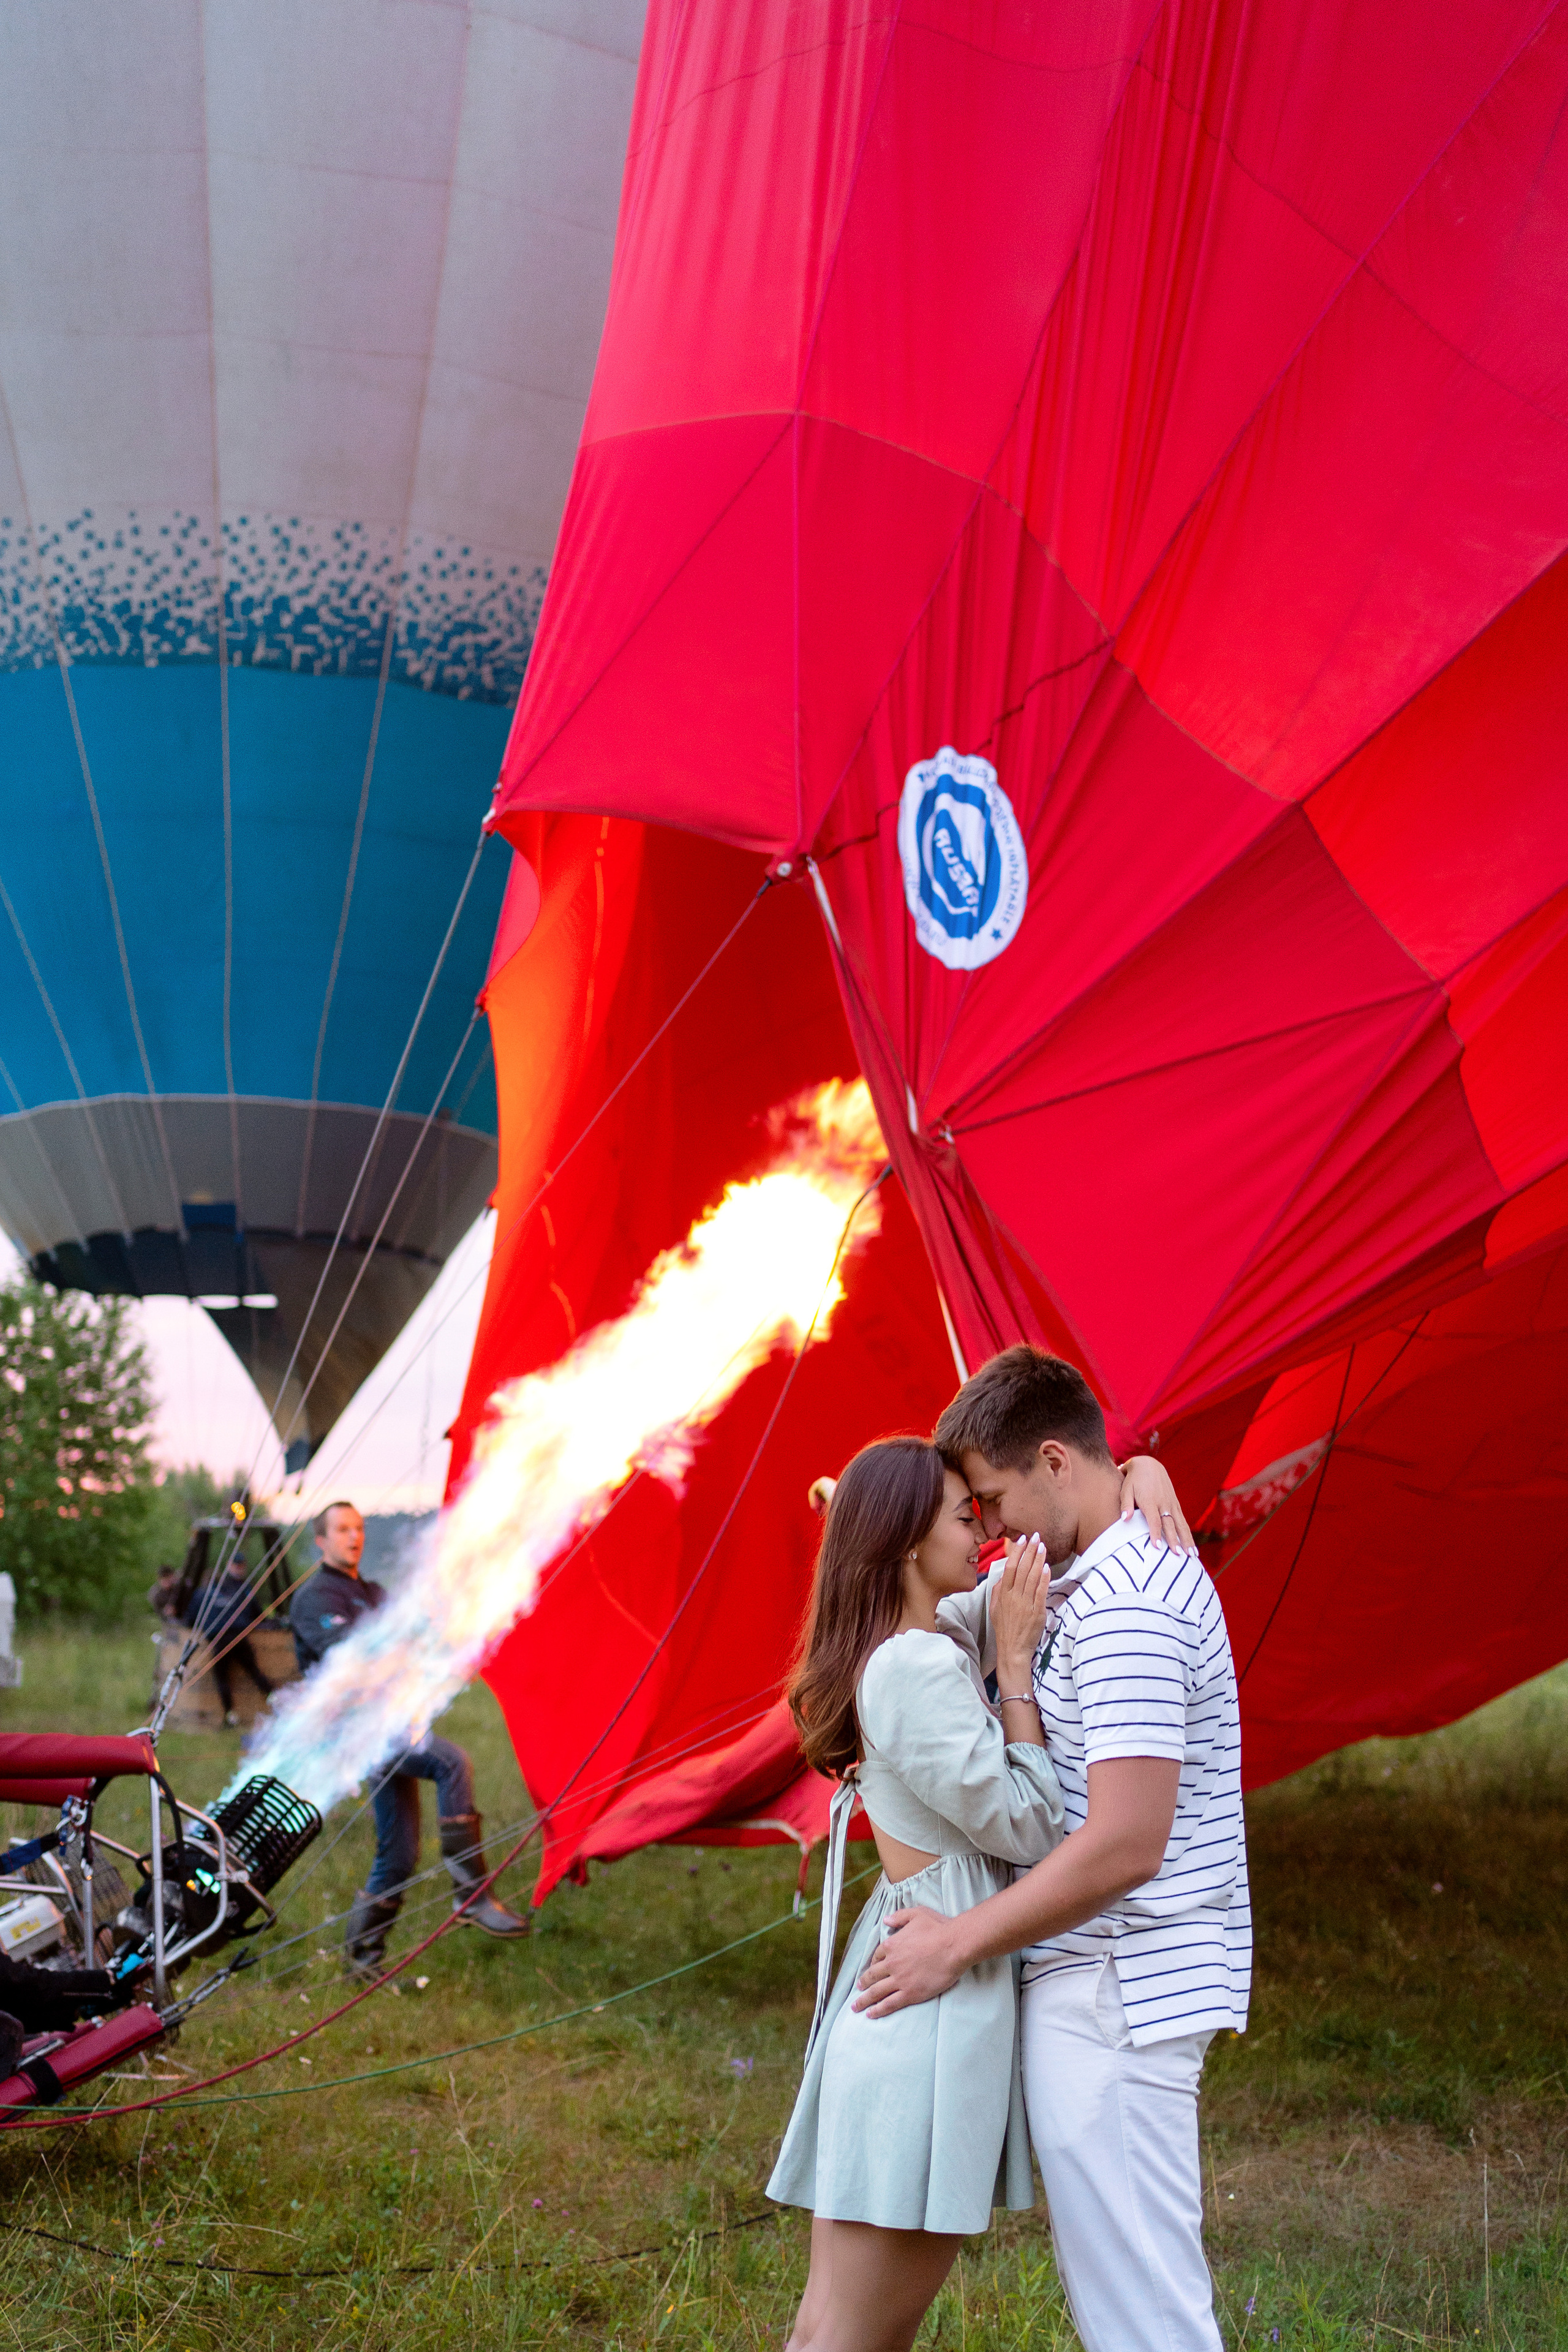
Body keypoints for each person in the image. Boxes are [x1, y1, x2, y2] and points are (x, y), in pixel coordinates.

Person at [853, 1348, 1247, 2352]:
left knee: (1147, 2325)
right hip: (1108, 1985)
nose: (987, 1531)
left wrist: (959, 1942)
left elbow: (1123, 1843)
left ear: (1056, 1462)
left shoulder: (1123, 1607)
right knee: (1134, 2311)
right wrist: (1143, 1468)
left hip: (1119, 1987)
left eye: (990, 1500)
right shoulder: (1102, 1571)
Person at [766, 1436, 1063, 2352]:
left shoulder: (921, 1643)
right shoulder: (916, 1665)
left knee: (840, 2332)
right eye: (959, 1515)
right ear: (904, 1540)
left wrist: (1140, 1475)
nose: (980, 1527)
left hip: (907, 2003)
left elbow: (1009, 1589)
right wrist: (1015, 1680)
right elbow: (1028, 1823)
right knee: (852, 2339)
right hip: (926, 2018)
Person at [289, 1499, 530, 1976]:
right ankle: (472, 1897)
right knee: (451, 1762)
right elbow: (353, 1657)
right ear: (321, 1540)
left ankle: (362, 1964)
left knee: (398, 1856)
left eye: (358, 1529)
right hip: (356, 1732)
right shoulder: (315, 1597)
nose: (353, 1537)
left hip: (391, 1724)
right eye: (341, 1530)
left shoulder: (375, 1593)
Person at [186, 1551, 277, 1725]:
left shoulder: (202, 1593)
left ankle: (230, 1716)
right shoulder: (240, 1588)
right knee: (254, 1671)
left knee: (222, 1677)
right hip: (238, 1636)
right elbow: (257, 1613)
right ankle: (278, 1703)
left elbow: (191, 1619)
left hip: (220, 1638)